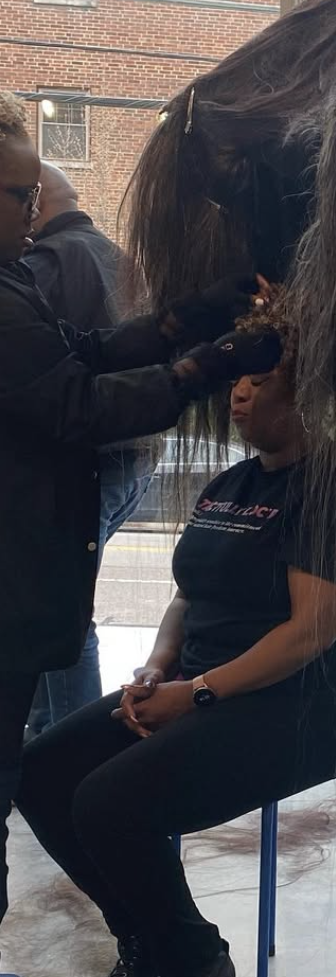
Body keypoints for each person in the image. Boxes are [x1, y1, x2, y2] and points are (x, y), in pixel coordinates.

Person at [18, 298, 336, 977]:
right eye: (236, 380)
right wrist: (158, 667)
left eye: (256, 378)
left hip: (306, 709)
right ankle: (149, 944)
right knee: (43, 772)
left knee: (110, 799)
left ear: (307, 390)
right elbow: (189, 594)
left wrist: (198, 692)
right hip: (203, 689)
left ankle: (195, 966)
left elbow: (309, 632)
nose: (238, 392)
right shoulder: (231, 483)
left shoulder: (332, 491)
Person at [0, 89, 281, 977]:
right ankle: (159, 958)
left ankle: (161, 954)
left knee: (27, 770)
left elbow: (89, 349)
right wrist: (214, 358)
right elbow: (80, 399)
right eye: (16, 196)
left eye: (32, 196)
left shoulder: (15, 281)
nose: (31, 215)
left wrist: (198, 318)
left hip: (34, 581)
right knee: (11, 774)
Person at [24, 162, 159, 732]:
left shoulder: (45, 265)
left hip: (89, 460)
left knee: (57, 605)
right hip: (133, 457)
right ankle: (46, 737)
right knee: (51, 601)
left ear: (34, 203)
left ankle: (64, 745)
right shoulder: (115, 257)